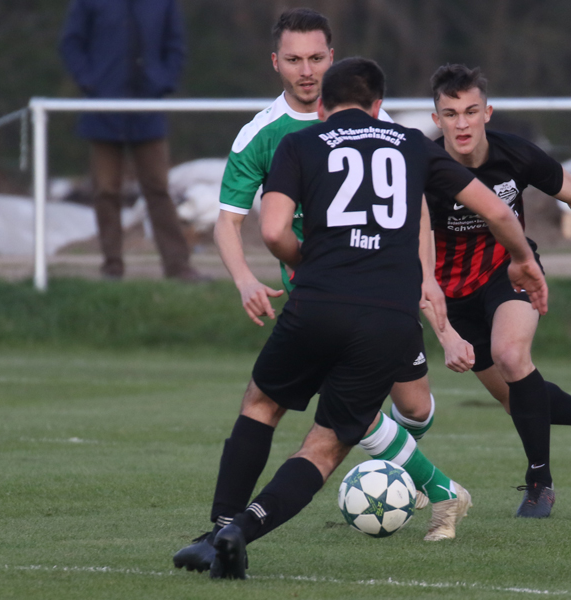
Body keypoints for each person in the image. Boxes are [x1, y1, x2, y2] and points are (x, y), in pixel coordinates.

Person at [178, 57, 548, 579]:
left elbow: (275, 231)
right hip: (389, 317)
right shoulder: (412, 143)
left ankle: (219, 528)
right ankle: (244, 529)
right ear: (378, 106)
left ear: (323, 108)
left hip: (317, 303)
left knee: (261, 404)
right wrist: (523, 260)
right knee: (326, 445)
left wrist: (308, 264)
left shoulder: (300, 143)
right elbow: (497, 212)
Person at [200, 8, 468, 550]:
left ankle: (412, 476)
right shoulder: (263, 135)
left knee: (415, 407)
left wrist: (426, 276)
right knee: (345, 413)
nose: (307, 71)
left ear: (332, 57)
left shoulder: (375, 122)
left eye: (316, 58)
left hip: (387, 292)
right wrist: (245, 279)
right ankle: (440, 489)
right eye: (294, 60)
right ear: (275, 62)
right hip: (320, 299)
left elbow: (415, 208)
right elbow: (229, 221)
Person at [425, 64, 571, 518]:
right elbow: (412, 258)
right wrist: (443, 331)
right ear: (436, 119)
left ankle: (540, 483)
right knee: (515, 399)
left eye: (471, 111)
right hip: (451, 293)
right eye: (451, 114)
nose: (462, 124)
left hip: (509, 273)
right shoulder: (421, 168)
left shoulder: (515, 154)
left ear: (487, 113)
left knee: (512, 356)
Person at [59, 0, 204, 281]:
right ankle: (112, 267)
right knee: (105, 190)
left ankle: (178, 267)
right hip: (102, 110)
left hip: (148, 110)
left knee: (158, 189)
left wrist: (163, 81)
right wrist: (91, 82)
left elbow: (175, 47)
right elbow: (71, 44)